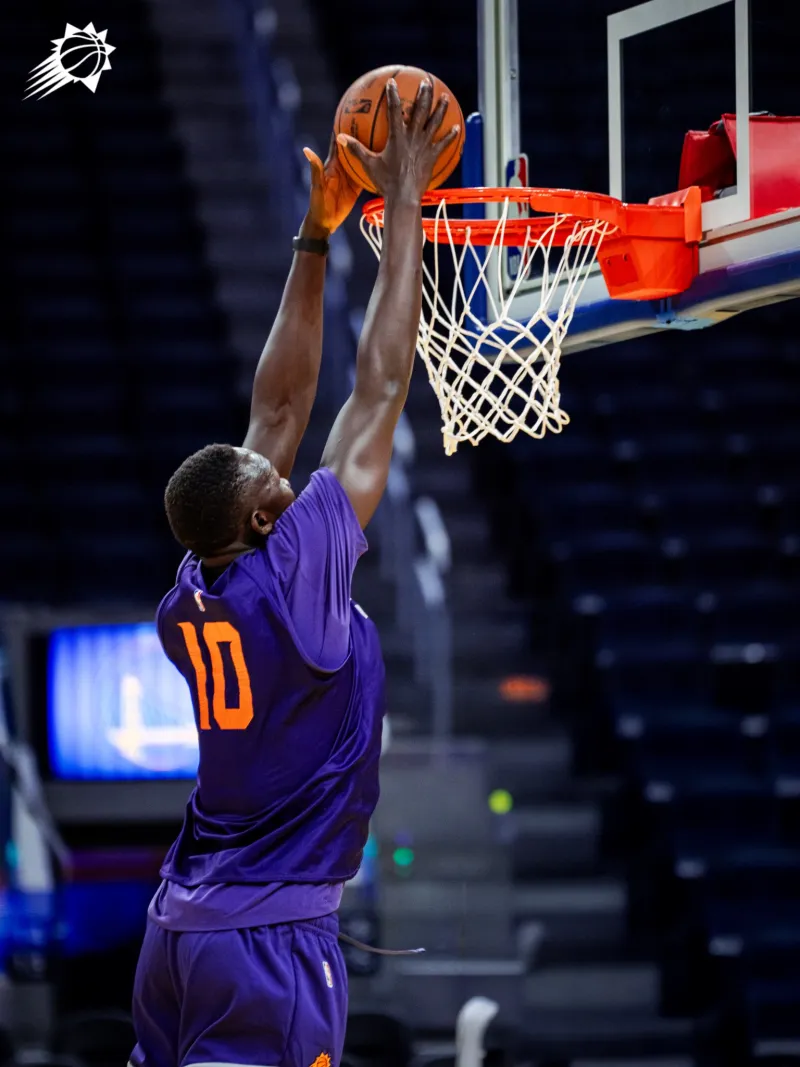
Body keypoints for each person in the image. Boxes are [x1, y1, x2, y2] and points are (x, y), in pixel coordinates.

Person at [130, 79, 460, 1067]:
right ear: (270, 516)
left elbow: (275, 411)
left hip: (179, 930)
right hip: (265, 943)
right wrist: (400, 202)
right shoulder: (293, 576)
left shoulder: (191, 585)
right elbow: (380, 384)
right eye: (273, 478)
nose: (276, 451)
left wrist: (315, 238)